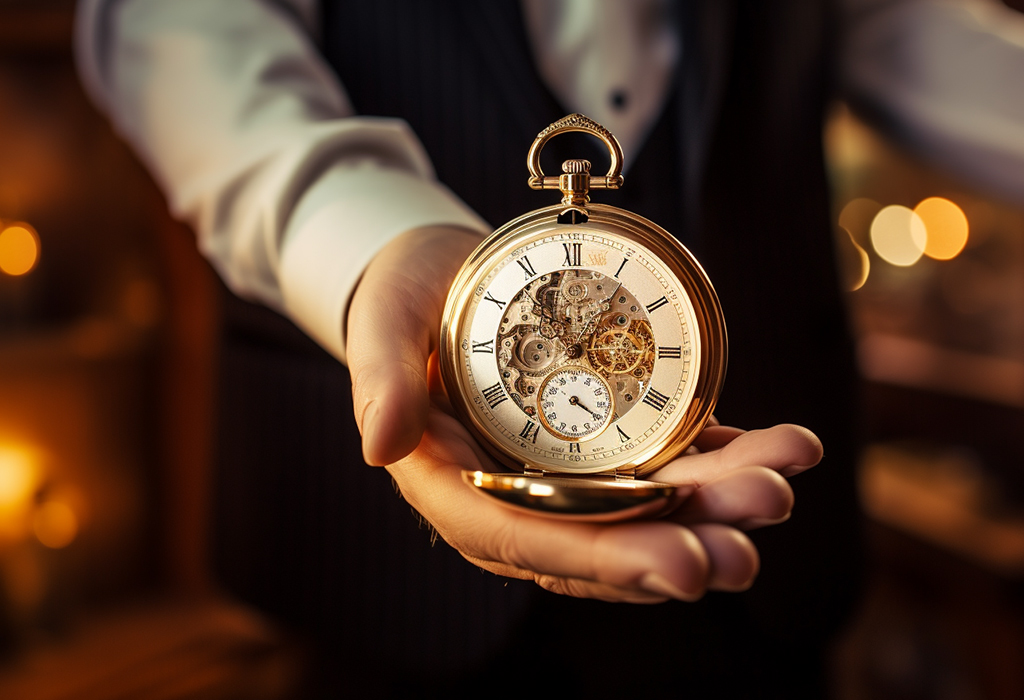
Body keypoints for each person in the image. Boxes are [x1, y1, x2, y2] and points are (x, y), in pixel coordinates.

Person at [74, 0, 1024, 696]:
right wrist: (367, 235)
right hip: (386, 589)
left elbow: (920, 38)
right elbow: (175, 30)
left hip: (762, 586)